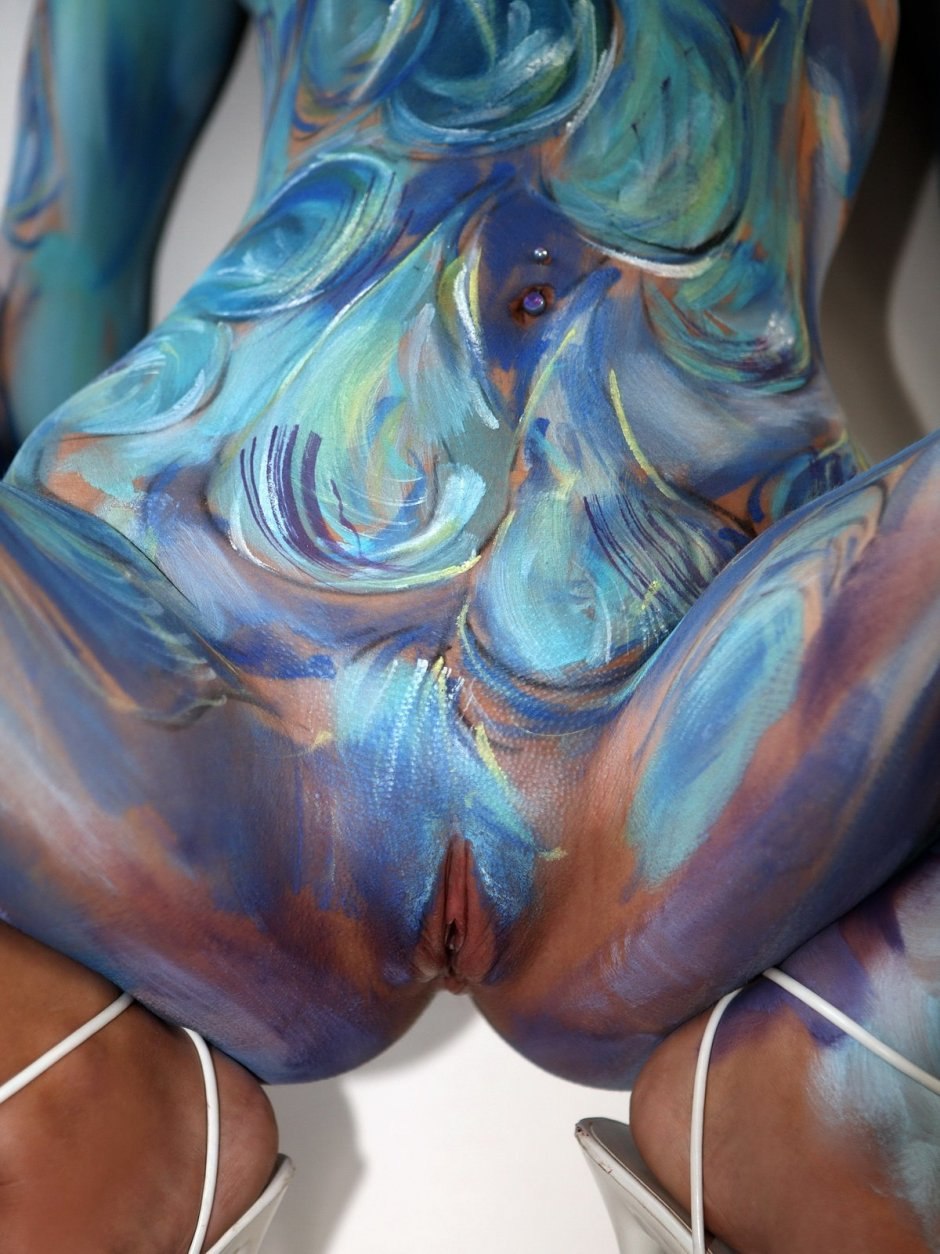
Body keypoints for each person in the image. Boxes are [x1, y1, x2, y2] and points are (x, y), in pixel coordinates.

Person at [0, 0, 937, 1249]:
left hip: (702, 717)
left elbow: (68, 258)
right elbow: (69, 260)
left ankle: (849, 1084)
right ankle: (62, 1102)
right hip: (209, 685)